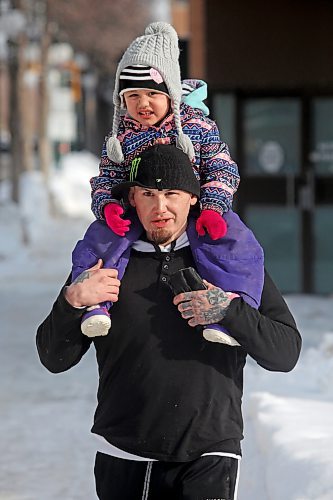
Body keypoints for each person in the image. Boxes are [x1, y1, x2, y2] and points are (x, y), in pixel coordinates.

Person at [36, 144, 302, 500]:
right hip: (124, 451)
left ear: (193, 198)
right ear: (132, 198)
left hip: (210, 451)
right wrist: (71, 301)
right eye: (148, 194)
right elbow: (54, 358)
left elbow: (285, 353)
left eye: (172, 194)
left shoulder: (228, 264)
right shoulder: (107, 263)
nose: (160, 208)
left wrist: (229, 311)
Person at [74, 21, 263, 343]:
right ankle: (96, 304)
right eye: (132, 96)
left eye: (152, 94)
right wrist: (106, 205)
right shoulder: (121, 138)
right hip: (138, 210)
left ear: (171, 95)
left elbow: (222, 168)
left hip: (198, 209)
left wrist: (215, 207)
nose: (142, 104)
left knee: (234, 244)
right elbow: (106, 177)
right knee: (99, 240)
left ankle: (229, 308)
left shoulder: (195, 128)